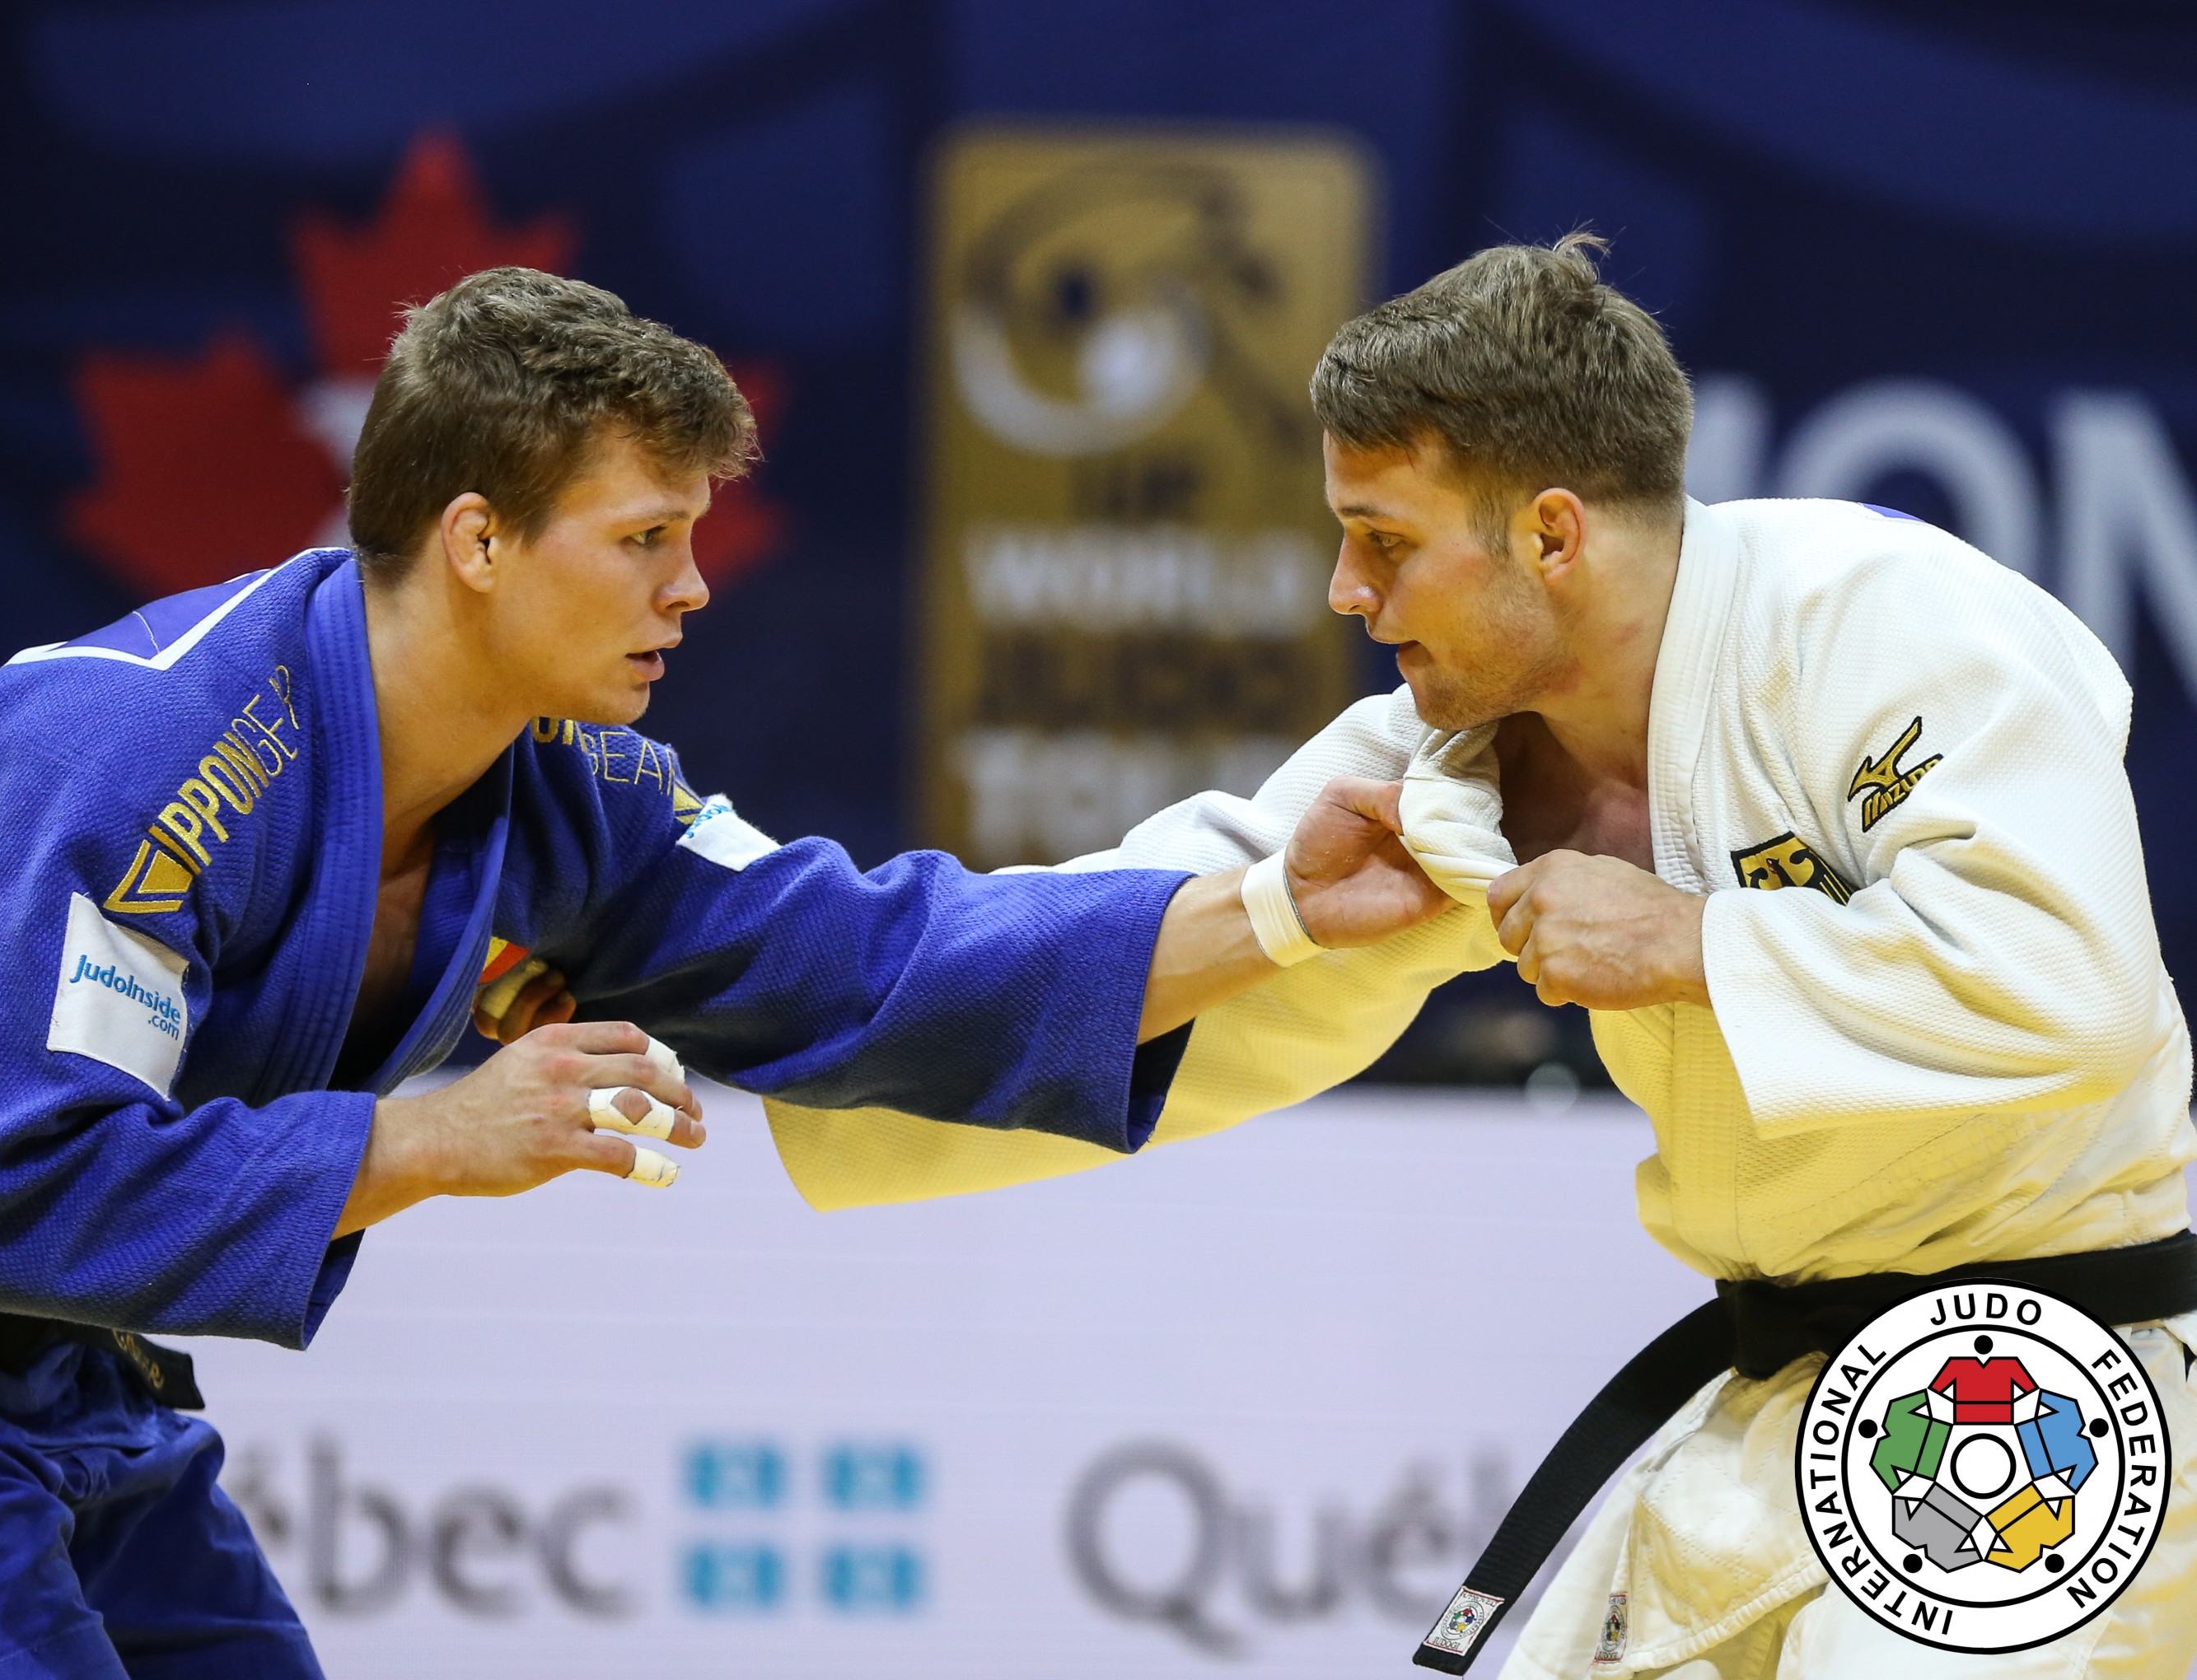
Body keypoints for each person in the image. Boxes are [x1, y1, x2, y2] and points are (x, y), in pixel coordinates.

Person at [0, 268, 1443, 1678]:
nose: (693, 589)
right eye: (644, 539)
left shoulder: (565, 787)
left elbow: (867, 959)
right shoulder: (137, 753)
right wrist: (434, 1137)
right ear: (477, 540)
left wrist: (1277, 911)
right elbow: (29, 1190)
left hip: (64, 1365)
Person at [764, 237, 2197, 1679]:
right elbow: (1158, 917)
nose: (1344, 589)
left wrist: (1694, 941)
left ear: (1552, 537)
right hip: (1785, 1402)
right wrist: (780, 1023)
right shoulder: (1458, 765)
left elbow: (2071, 986)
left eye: (1384, 539)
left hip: (2045, 1398)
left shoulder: (1876, 624)